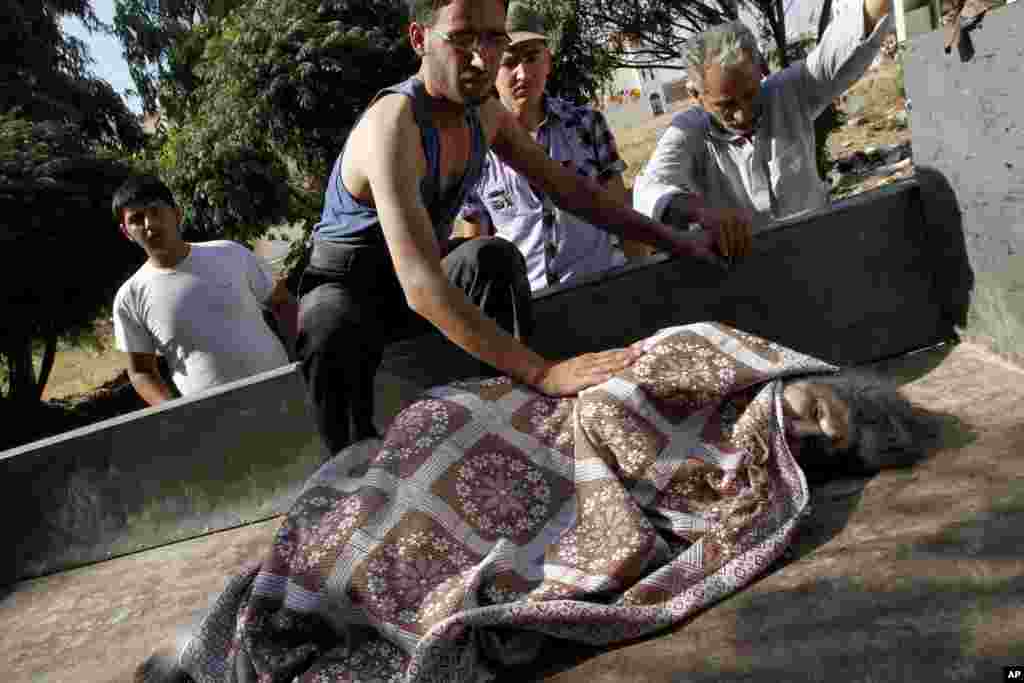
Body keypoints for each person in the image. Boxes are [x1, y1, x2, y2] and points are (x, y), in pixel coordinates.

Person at [151, 322, 934, 683]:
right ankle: (280, 596)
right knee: (412, 461)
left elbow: (655, 501)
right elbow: (641, 373)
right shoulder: (707, 356)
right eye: (825, 410)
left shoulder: (752, 473)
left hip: (568, 477)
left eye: (827, 439)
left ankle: (288, 612)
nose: (812, 423)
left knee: (426, 554)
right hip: (501, 418)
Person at [296, 0, 753, 455]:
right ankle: (351, 461)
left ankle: (505, 422)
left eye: (494, 38)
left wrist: (675, 240)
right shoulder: (393, 124)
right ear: (420, 39)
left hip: (415, 282)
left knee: (488, 257)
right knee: (326, 318)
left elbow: (574, 192)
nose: (482, 58)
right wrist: (545, 372)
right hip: (356, 291)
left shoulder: (485, 116)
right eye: (461, 39)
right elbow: (421, 285)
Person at [632, 0, 894, 233]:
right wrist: (698, 210)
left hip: (816, 252)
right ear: (696, 96)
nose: (743, 112)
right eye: (726, 104)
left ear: (760, 71)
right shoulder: (688, 132)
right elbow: (648, 191)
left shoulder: (790, 92)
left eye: (750, 94)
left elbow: (855, 34)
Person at [456, 1, 630, 291]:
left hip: (604, 287)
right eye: (509, 62)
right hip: (532, 308)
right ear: (489, 67)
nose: (522, 73)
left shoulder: (587, 125)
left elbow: (624, 219)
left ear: (547, 62)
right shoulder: (474, 150)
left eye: (532, 57)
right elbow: (479, 250)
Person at [112, 175, 298, 406]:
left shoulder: (230, 253)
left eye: (155, 211)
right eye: (137, 219)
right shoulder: (129, 297)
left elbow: (283, 303)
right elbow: (141, 372)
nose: (149, 224)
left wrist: (299, 364)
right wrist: (174, 412)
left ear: (177, 214)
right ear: (126, 232)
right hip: (214, 424)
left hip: (285, 396)